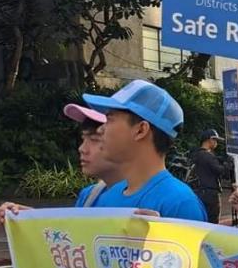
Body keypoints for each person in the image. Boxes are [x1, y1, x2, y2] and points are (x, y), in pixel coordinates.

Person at [81, 80, 207, 221]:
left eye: (110, 119)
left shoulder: (180, 204)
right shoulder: (108, 197)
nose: (100, 129)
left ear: (141, 130)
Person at [0, 103, 122, 225]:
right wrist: (24, 217)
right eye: (83, 139)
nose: (82, 148)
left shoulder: (135, 198)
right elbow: (72, 234)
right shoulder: (90, 195)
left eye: (94, 139)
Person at [190, 129, 226, 223]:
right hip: (210, 194)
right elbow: (220, 171)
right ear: (210, 140)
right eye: (215, 140)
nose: (216, 143)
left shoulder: (196, 154)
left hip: (198, 192)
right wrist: (229, 164)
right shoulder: (208, 156)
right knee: (212, 222)